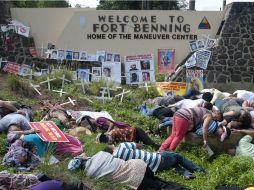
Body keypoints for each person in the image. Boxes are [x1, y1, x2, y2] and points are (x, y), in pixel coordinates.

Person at [68, 151, 188, 190]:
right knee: (158, 180)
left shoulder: (90, 174)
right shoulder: (100, 154)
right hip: (139, 165)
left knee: (161, 186)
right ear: (82, 159)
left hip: (134, 178)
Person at [105, 142, 205, 179]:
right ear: (111, 148)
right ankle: (199, 170)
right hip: (157, 158)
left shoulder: (116, 161)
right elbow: (138, 146)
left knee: (172, 162)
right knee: (178, 157)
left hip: (154, 168)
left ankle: (186, 174)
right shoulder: (121, 146)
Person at [96, 127, 161, 150]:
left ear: (106, 135)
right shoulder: (111, 137)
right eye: (107, 141)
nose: (109, 141)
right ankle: (148, 132)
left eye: (108, 139)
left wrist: (137, 145)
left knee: (152, 145)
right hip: (134, 136)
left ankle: (166, 147)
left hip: (137, 132)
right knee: (146, 146)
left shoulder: (114, 132)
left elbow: (127, 142)